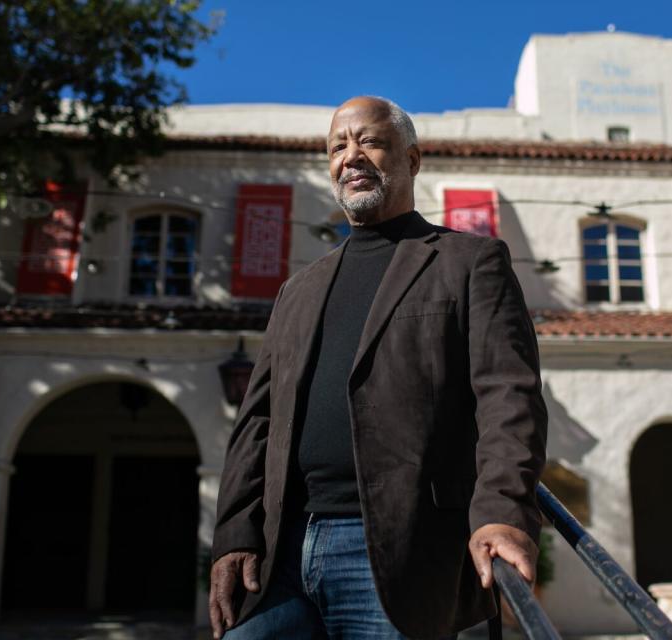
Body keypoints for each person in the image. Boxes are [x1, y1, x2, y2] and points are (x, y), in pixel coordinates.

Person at [210, 96, 548, 640]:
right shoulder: (297, 289)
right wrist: (234, 536)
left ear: (412, 160)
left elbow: (508, 397)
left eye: (369, 140)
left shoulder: (469, 262)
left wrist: (502, 511)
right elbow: (257, 423)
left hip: (398, 551)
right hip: (282, 554)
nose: (352, 155)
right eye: (338, 146)